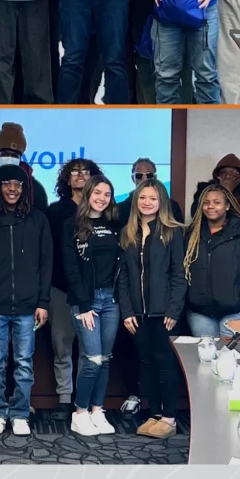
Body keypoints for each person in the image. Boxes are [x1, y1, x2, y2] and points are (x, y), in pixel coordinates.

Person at [0, 164, 53, 437]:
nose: (12, 189)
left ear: (25, 189)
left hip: (29, 307)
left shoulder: (38, 220)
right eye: (7, 184)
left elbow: (45, 264)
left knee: (24, 362)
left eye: (18, 184)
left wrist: (43, 302)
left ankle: (19, 414)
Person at [117, 179, 186, 439]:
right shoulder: (128, 232)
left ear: (162, 202)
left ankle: (169, 419)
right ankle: (154, 414)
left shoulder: (172, 231)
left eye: (153, 198)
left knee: (164, 363)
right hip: (137, 313)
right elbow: (123, 278)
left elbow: (179, 275)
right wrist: (126, 311)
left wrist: (173, 309)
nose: (147, 202)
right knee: (145, 363)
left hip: (163, 312)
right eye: (142, 197)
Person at [61, 175, 121, 436]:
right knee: (92, 358)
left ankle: (98, 410)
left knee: (105, 359)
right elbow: (71, 268)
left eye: (107, 194)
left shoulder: (115, 224)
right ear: (87, 193)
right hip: (86, 301)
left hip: (111, 299)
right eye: (97, 192)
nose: (102, 198)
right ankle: (80, 412)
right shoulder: (72, 224)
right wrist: (84, 305)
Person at [45, 157, 102, 419]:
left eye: (85, 172)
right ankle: (65, 398)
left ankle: (83, 398)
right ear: (67, 179)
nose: (80, 175)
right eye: (74, 172)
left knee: (90, 349)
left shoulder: (103, 211)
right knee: (62, 345)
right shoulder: (55, 212)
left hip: (94, 291)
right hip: (61, 289)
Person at [183, 184, 240, 337]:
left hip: (237, 311)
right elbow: (182, 270)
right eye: (206, 202)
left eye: (217, 202)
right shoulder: (192, 234)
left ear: (228, 205)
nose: (211, 206)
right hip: (200, 313)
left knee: (234, 357)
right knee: (206, 358)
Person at [115, 158, 184, 223]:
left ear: (155, 177)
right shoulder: (121, 209)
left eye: (149, 175)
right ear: (133, 178)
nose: (144, 179)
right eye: (139, 175)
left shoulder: (171, 206)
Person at [192, 154, 240, 218]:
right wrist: (224, 190)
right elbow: (195, 214)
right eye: (223, 173)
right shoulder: (205, 189)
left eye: (233, 173)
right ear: (218, 176)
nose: (228, 176)